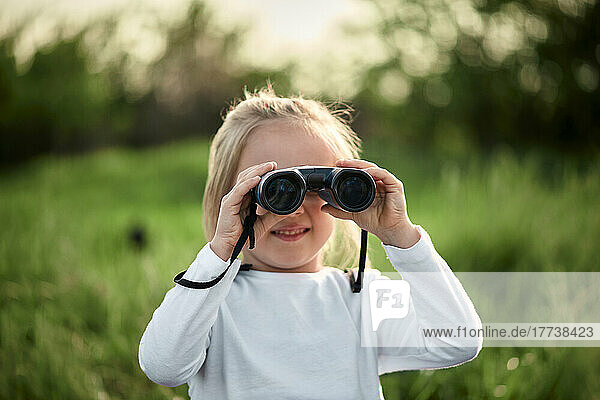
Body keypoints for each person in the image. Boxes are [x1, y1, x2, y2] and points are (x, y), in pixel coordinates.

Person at [138, 86, 483, 399]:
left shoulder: (358, 297)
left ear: (344, 193)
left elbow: (456, 340)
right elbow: (163, 366)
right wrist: (219, 254)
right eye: (276, 190)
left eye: (315, 187)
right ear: (229, 199)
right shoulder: (210, 302)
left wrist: (401, 235)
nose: (293, 210)